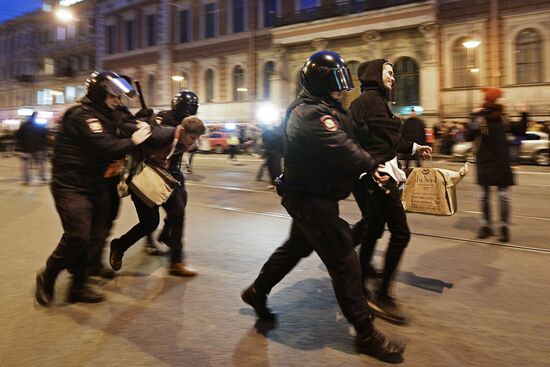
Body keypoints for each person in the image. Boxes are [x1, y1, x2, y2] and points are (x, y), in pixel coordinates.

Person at [241, 51, 404, 363]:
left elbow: (359, 135)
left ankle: (256, 292)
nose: (342, 88)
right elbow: (344, 148)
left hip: (316, 196)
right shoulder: (310, 114)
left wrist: (399, 146)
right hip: (309, 199)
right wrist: (373, 167)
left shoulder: (330, 109)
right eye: (336, 82)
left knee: (296, 248)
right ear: (320, 83)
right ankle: (365, 334)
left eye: (342, 82)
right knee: (345, 261)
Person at [34, 71, 152, 306]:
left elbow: (122, 124)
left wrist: (141, 120)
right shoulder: (81, 115)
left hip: (95, 183)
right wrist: (134, 140)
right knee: (78, 235)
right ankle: (48, 276)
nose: (118, 101)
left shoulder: (105, 113)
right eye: (114, 96)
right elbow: (105, 146)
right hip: (71, 185)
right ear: (100, 94)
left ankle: (78, 287)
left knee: (96, 236)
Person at [349, 59, 432, 325]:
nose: (394, 78)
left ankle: (361, 286)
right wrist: (373, 167)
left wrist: (414, 148)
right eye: (389, 73)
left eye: (394, 74)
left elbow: (387, 139)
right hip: (377, 175)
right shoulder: (370, 102)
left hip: (373, 173)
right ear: (375, 74)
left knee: (374, 227)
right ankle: (382, 295)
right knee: (400, 232)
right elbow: (383, 137)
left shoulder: (372, 101)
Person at [109, 115, 206, 276]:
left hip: (160, 179)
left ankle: (176, 261)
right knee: (149, 223)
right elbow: (126, 126)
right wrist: (140, 126)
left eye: (197, 138)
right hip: (142, 180)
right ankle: (119, 245)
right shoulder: (160, 135)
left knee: (178, 212)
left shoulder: (181, 141)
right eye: (192, 137)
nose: (194, 142)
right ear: (182, 131)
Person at [470, 87, 514, 242]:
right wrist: (473, 116)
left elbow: (520, 130)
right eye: (502, 97)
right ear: (495, 99)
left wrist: (524, 113)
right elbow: (469, 135)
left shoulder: (504, 117)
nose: (505, 99)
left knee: (503, 197)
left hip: (501, 162)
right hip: (486, 162)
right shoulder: (481, 118)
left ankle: (504, 227)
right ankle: (485, 225)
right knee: (484, 196)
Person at [15, 111, 49, 184]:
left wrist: (21, 145)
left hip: (26, 148)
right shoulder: (39, 125)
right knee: (41, 163)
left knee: (26, 164)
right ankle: (42, 178)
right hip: (39, 147)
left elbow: (18, 135)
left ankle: (26, 180)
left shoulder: (24, 125)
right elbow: (45, 135)